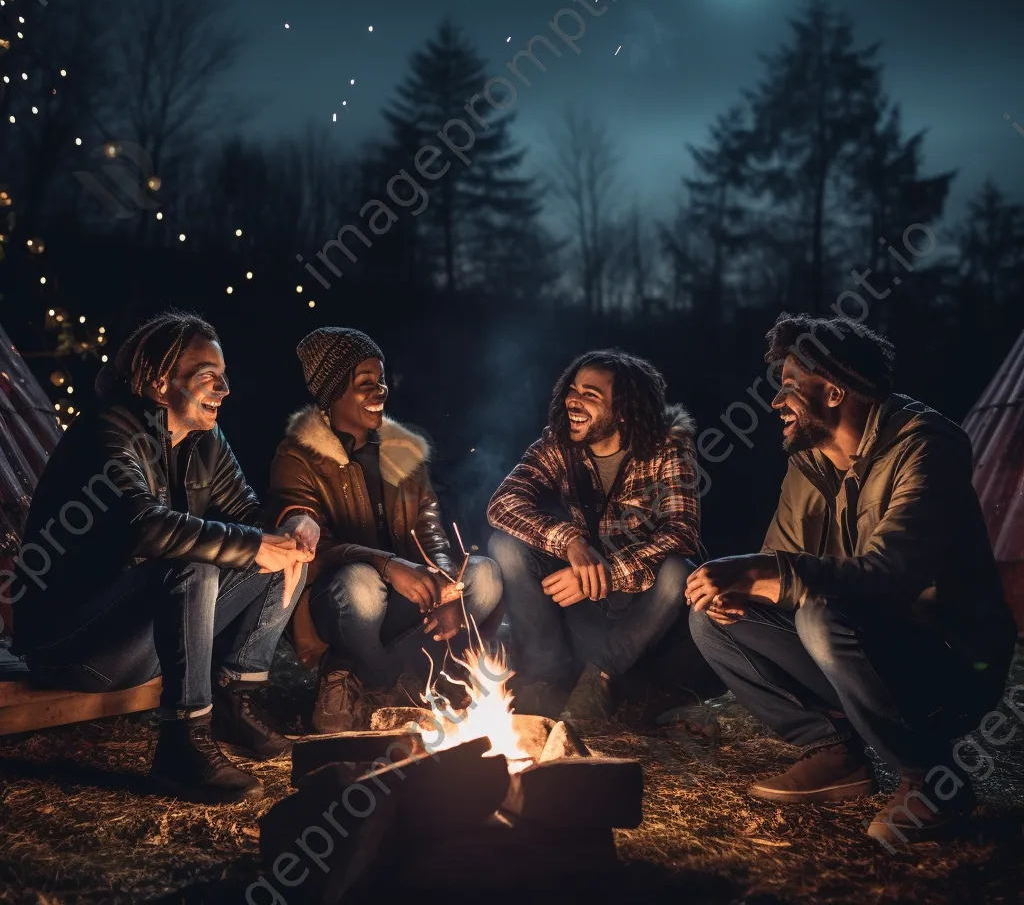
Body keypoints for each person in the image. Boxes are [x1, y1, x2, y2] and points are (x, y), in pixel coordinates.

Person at [687, 312, 1017, 844]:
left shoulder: (925, 448)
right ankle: (838, 756)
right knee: (715, 618)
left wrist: (770, 573)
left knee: (820, 612)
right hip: (859, 643)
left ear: (835, 392)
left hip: (950, 663)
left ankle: (932, 778)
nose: (776, 402)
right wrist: (741, 586)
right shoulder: (808, 464)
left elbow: (893, 571)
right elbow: (780, 565)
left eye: (790, 387)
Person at [13, 311, 314, 803]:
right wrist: (256, 543)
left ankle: (233, 700)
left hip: (142, 637)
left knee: (286, 554)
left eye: (224, 377)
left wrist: (296, 521)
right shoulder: (106, 431)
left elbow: (250, 519)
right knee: (195, 564)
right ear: (158, 379)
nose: (224, 389)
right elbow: (143, 525)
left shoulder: (205, 440)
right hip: (72, 645)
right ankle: (182, 747)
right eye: (207, 377)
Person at [266, 327, 503, 733]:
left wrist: (447, 586)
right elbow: (309, 546)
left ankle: (371, 683)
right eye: (364, 383)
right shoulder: (297, 456)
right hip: (340, 600)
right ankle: (364, 674)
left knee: (484, 576)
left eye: (381, 380)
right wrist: (387, 564)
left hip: (406, 595)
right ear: (332, 390)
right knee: (361, 584)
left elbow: (431, 532)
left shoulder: (403, 452)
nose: (380, 391)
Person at [487, 349, 702, 721]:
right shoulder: (558, 444)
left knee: (677, 572)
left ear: (622, 410)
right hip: (581, 614)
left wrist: (601, 572)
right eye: (573, 389)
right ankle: (545, 679)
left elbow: (682, 532)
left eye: (591, 394)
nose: (574, 399)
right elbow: (502, 504)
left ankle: (597, 680)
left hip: (640, 609)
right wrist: (570, 541)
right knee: (504, 545)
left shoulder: (667, 448)